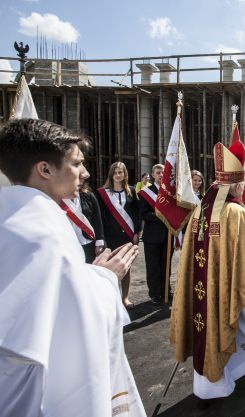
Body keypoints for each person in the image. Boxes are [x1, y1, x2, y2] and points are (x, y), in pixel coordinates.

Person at [0, 118, 145, 417]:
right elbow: (73, 320)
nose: (85, 173)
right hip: (32, 392)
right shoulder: (45, 233)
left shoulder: (13, 216)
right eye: (77, 164)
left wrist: (89, 275)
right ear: (45, 169)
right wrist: (106, 278)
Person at [170, 126, 245, 409]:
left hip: (207, 286)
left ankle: (216, 381)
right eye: (243, 183)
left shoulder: (202, 208)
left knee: (222, 322)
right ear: (237, 185)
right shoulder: (235, 212)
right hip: (230, 284)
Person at [97, 161, 141, 308]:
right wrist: (101, 238)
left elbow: (137, 214)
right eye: (115, 172)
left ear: (124, 174)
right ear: (111, 174)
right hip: (110, 236)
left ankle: (125, 298)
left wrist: (136, 233)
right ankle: (112, 299)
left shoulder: (132, 191)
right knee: (110, 268)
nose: (118, 175)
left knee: (126, 267)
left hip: (127, 236)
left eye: (120, 172)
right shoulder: (102, 193)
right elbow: (100, 218)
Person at [139, 163, 173, 304]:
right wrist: (160, 216)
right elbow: (144, 213)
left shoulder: (171, 193)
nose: (160, 175)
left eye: (163, 172)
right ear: (152, 175)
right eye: (158, 172)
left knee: (167, 264)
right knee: (153, 266)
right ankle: (155, 293)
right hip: (152, 235)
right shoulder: (146, 192)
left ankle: (166, 289)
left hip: (168, 235)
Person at [61, 183, 105, 263]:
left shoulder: (88, 196)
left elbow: (97, 220)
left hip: (88, 243)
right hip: (69, 246)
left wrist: (99, 242)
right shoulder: (57, 199)